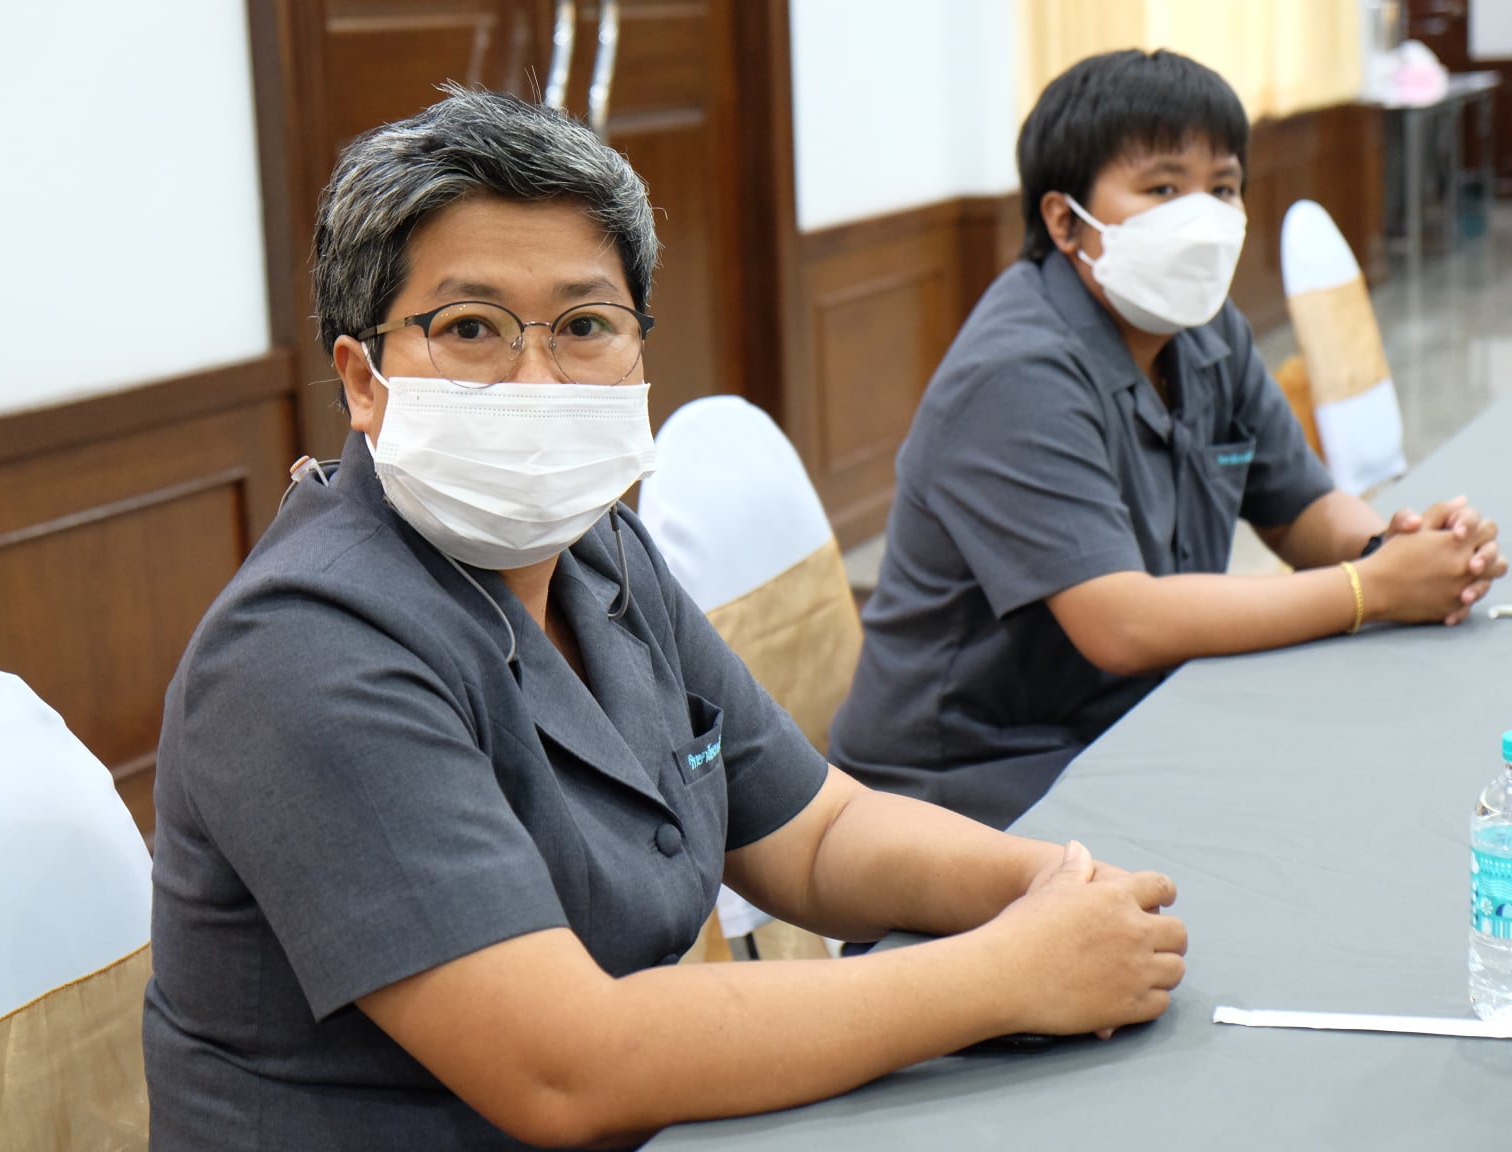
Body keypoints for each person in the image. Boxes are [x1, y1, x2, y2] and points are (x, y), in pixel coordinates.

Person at [142, 87, 1187, 1151]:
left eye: (586, 325)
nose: (537, 379)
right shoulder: (304, 652)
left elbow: (816, 837)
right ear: (363, 380)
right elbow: (566, 1066)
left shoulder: (599, 554)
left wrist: (1050, 888)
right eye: (470, 328)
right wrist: (1009, 971)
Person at [828, 50, 1508, 830]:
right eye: (1161, 189)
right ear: (1064, 220)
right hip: (973, 789)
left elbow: (1300, 510)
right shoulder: (1015, 372)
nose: (1203, 217)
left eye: (1222, 188)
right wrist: (1371, 590)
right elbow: (1124, 624)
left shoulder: (1205, 330)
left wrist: (1403, 544)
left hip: (1135, 725)